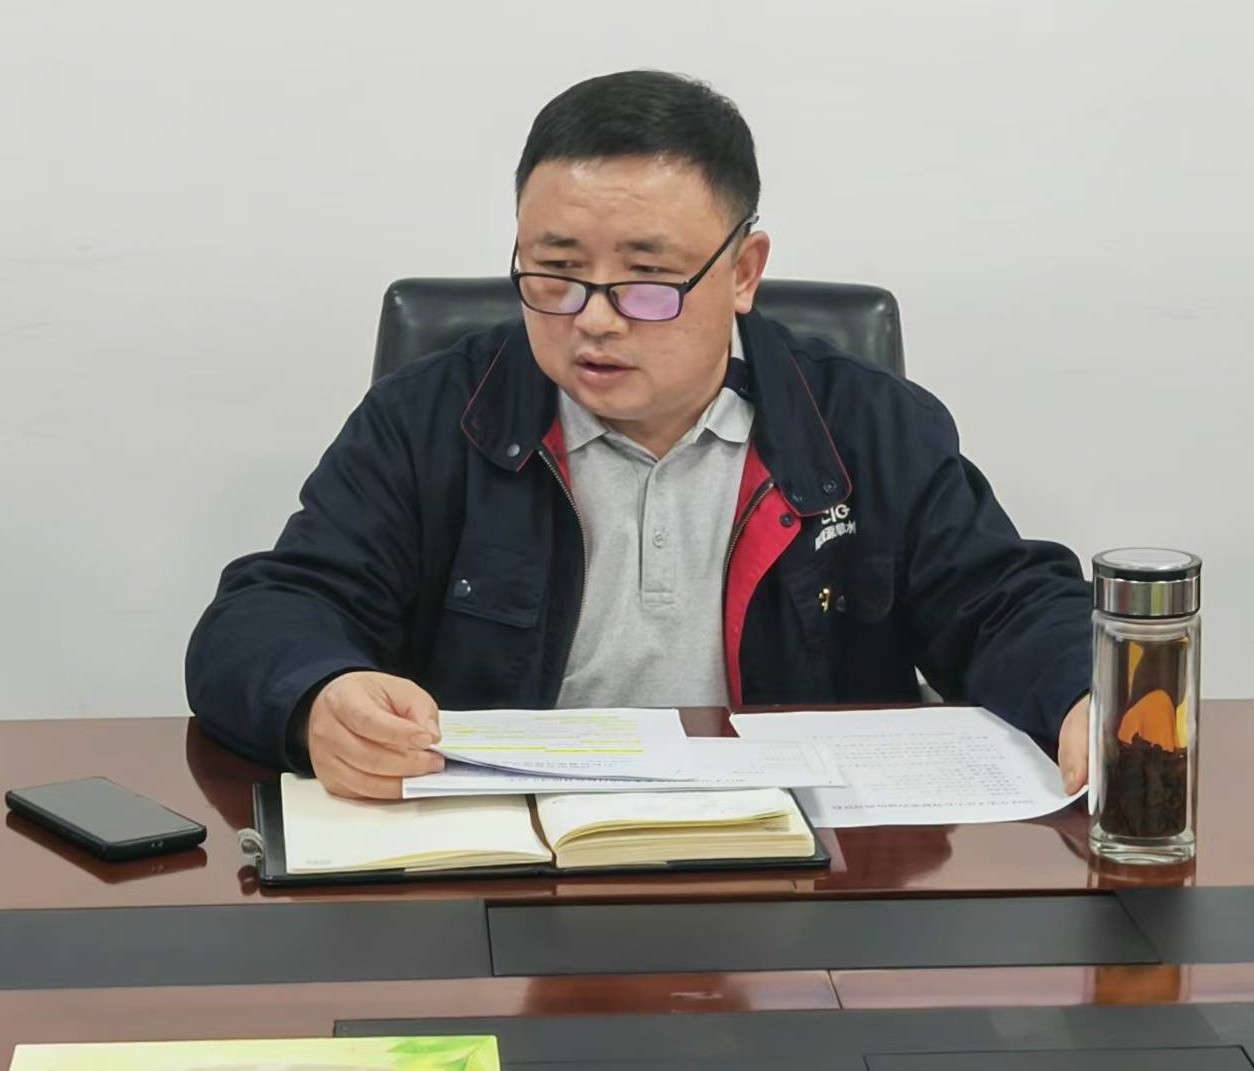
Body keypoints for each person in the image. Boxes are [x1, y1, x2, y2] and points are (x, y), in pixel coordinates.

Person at [186, 69, 1092, 800]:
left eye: (646, 279)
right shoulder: (428, 419)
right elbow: (270, 611)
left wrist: (1088, 697)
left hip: (805, 875)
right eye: (554, 271)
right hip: (502, 863)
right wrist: (317, 695)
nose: (594, 318)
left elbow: (1004, 603)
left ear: (742, 272)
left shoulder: (867, 425)